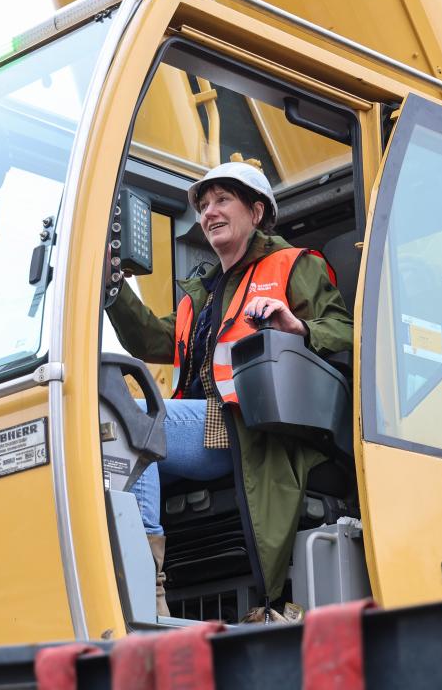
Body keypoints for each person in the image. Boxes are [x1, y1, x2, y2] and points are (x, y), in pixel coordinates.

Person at [105, 162, 352, 616]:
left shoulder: (293, 267)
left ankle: (143, 594)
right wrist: (113, 285)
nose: (209, 213)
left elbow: (345, 330)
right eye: (203, 205)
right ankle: (133, 584)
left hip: (244, 428)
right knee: (116, 444)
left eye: (222, 201)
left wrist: (296, 326)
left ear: (256, 212)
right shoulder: (198, 296)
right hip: (200, 430)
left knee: (123, 419)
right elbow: (148, 340)